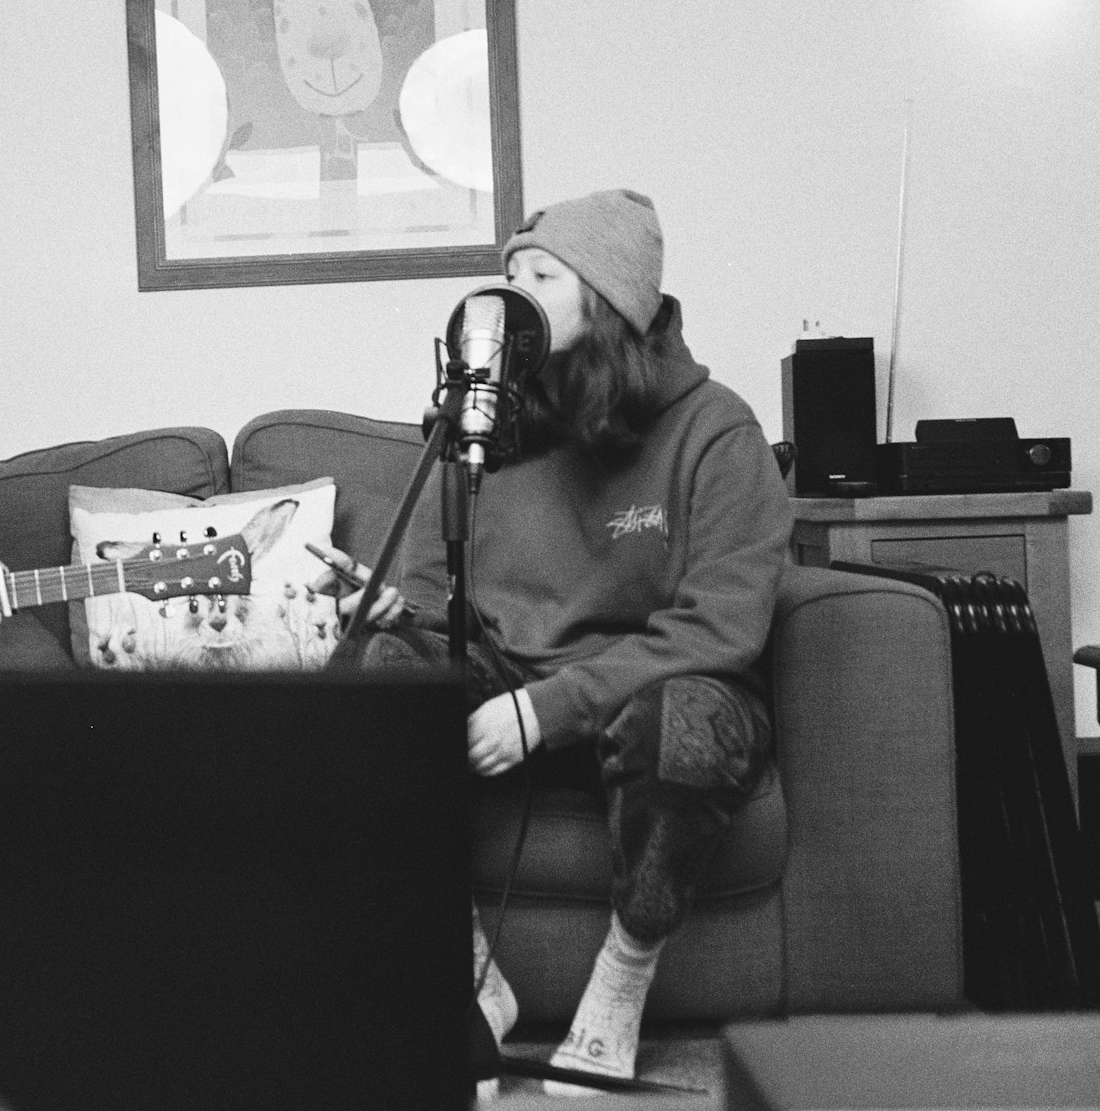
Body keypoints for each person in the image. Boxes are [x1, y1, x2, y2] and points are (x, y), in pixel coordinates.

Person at [316, 190, 790, 1098]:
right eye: (507, 275)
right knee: (377, 681)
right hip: (504, 677)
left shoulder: (715, 431)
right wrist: (394, 618)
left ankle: (620, 985)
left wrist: (545, 712)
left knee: (687, 722)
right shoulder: (482, 424)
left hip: (652, 689)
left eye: (540, 275)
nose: (511, 293)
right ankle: (469, 983)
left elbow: (720, 626)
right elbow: (430, 597)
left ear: (608, 300)